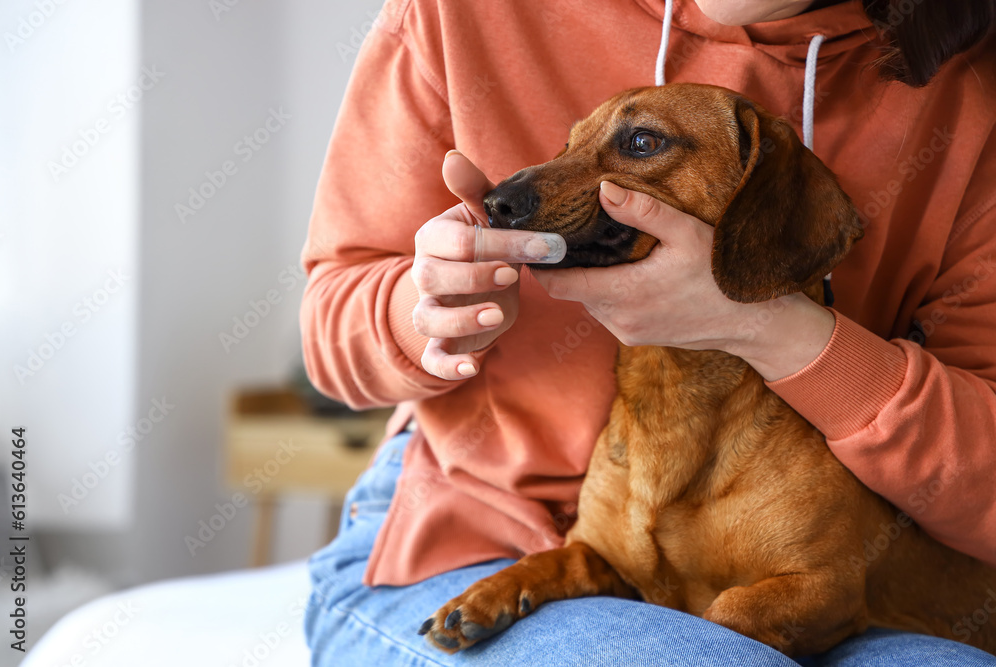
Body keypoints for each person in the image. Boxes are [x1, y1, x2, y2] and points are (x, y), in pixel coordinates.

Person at [300, 0, 996, 664]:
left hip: (812, 557)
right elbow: (329, 324)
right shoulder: (457, 14)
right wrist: (426, 308)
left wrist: (774, 328)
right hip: (469, 535)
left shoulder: (966, 89)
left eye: (638, 144)